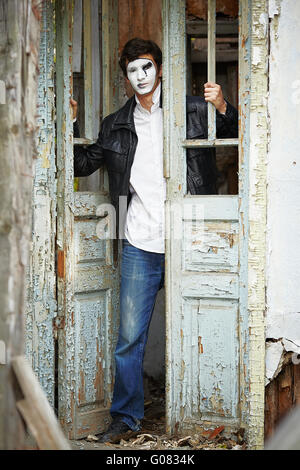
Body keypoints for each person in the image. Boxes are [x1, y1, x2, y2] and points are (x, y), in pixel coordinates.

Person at [71, 38, 238, 443]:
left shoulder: (192, 110)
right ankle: (125, 418)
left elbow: (237, 138)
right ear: (125, 77)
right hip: (139, 243)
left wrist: (223, 107)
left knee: (207, 323)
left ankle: (209, 412)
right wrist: (68, 125)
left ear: (159, 69)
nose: (141, 76)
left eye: (147, 67)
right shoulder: (115, 124)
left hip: (190, 239)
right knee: (130, 338)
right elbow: (81, 162)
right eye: (132, 70)